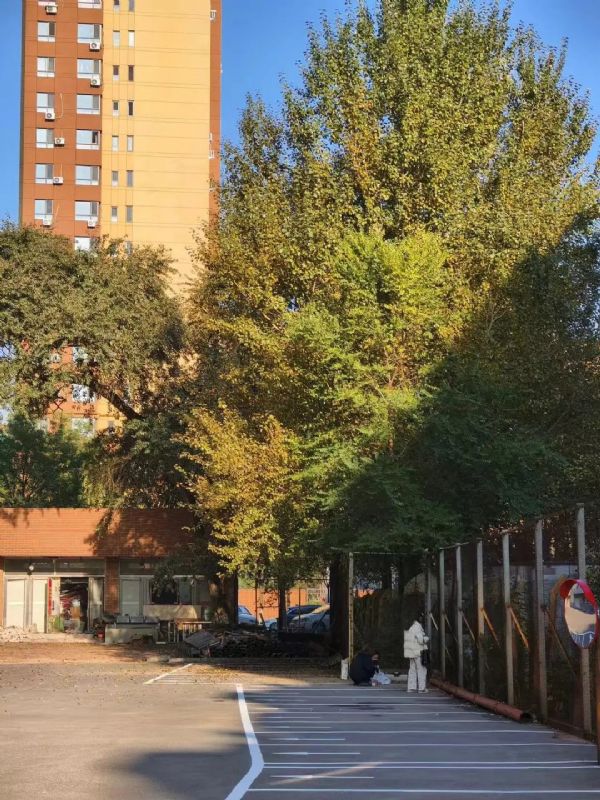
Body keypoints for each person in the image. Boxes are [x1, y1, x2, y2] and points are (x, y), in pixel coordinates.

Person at [404, 614, 429, 693]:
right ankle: (421, 688)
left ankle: (411, 687)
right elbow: (421, 640)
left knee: (412, 670)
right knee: (421, 669)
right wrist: (427, 638)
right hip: (417, 652)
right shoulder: (418, 627)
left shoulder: (411, 628)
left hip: (411, 652)